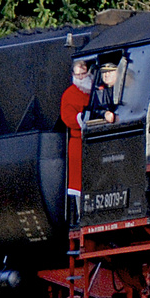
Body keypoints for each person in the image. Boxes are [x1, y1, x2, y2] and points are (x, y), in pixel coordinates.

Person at [59, 58, 93, 223]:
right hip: (78, 142)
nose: (80, 78)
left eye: (83, 74)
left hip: (94, 140)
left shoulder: (96, 90)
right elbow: (68, 118)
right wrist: (82, 118)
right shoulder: (69, 95)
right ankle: (82, 215)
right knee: (79, 183)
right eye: (77, 75)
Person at [86, 59, 119, 125]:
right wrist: (105, 113)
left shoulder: (126, 88)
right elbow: (95, 110)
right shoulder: (98, 91)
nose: (106, 75)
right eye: (104, 72)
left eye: (110, 72)